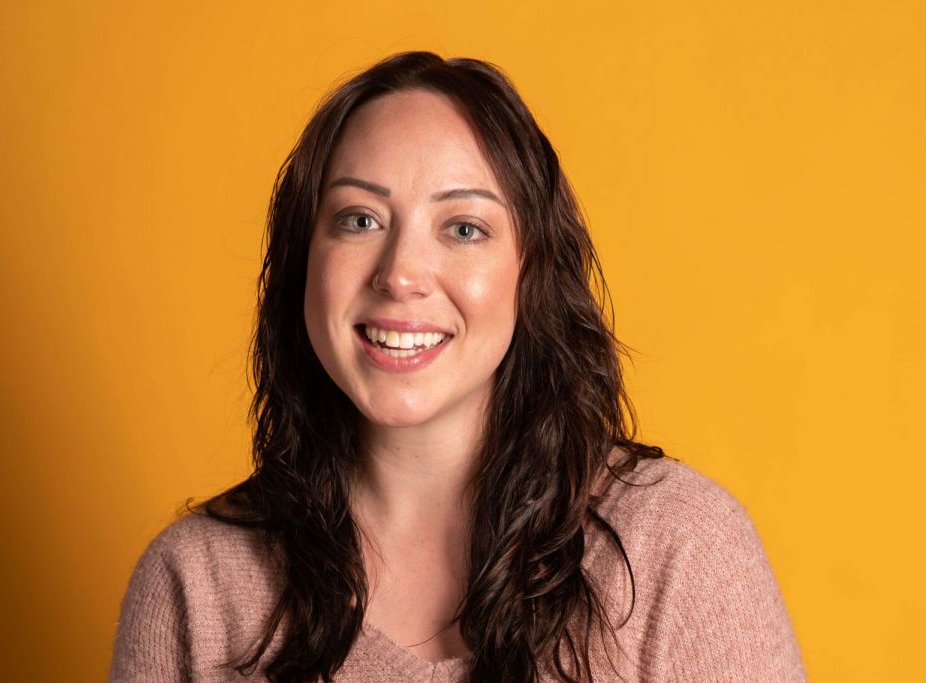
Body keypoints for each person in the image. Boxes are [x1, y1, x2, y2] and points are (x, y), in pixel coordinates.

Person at [108, 51, 806, 682]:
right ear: (303, 263)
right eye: (359, 219)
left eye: (463, 228)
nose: (401, 274)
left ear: (531, 272)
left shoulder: (679, 550)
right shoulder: (194, 583)